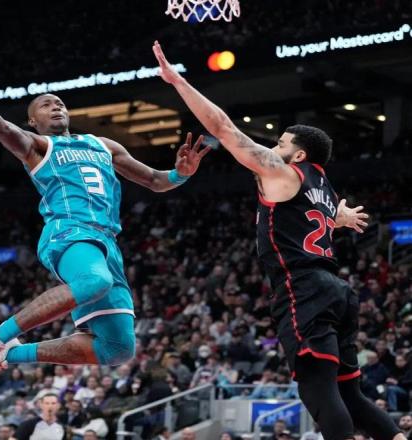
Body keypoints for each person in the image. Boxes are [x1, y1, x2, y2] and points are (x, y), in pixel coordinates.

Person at [153, 41, 406, 440]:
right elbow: (318, 218)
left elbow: (223, 128)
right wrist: (339, 218)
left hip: (302, 287)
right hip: (337, 292)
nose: (273, 148)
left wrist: (177, 82)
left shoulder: (283, 173)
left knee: (318, 390)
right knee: (350, 395)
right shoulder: (322, 185)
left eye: (281, 144)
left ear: (298, 155)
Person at [0, 41, 209, 382]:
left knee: (117, 348)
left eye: (59, 102)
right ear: (33, 121)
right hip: (68, 231)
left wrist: (180, 174)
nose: (56, 106)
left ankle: (6, 353)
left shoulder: (103, 145)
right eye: (46, 105)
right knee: (94, 281)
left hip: (106, 242)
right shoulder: (37, 146)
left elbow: (153, 180)